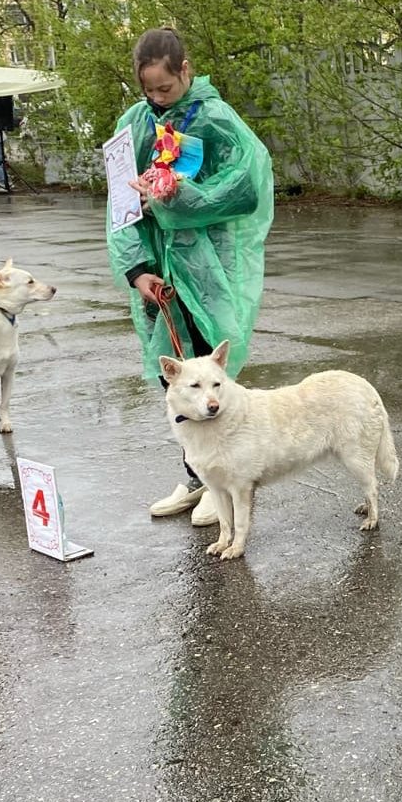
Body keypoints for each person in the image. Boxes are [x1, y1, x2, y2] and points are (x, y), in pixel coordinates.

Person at [106, 27, 273, 526]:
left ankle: (224, 481)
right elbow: (120, 204)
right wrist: (136, 270)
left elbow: (245, 188)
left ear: (186, 71)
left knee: (211, 380)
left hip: (208, 268)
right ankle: (198, 474)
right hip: (159, 268)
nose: (157, 99)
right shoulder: (134, 124)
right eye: (148, 91)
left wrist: (177, 197)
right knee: (175, 379)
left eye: (166, 89)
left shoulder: (217, 121)